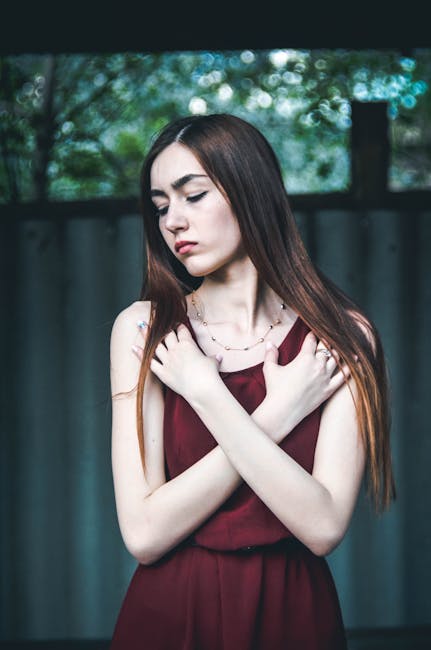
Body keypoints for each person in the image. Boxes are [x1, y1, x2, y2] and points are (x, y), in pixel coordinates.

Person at [109, 113, 395, 649]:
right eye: (161, 205)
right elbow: (144, 535)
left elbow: (323, 526)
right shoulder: (145, 329)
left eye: (193, 195)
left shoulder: (342, 335)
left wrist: (208, 395)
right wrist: (275, 412)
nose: (173, 221)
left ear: (250, 190)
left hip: (295, 611)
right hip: (173, 610)